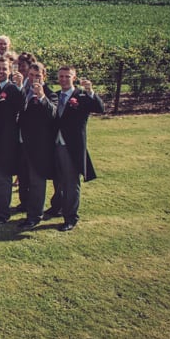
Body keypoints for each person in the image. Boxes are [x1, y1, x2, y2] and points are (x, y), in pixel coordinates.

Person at [53, 66, 105, 231]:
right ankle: (58, 207)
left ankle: (71, 217)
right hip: (55, 143)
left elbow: (99, 108)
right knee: (58, 180)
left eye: (67, 76)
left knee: (71, 182)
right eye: (61, 76)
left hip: (72, 145)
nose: (63, 79)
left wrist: (90, 91)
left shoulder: (81, 96)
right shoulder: (55, 95)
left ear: (73, 78)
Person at [16, 62, 56, 230]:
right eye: (31, 75)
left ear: (44, 76)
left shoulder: (49, 94)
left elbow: (53, 113)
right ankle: (25, 205)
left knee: (36, 182)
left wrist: (41, 97)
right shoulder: (24, 90)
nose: (33, 79)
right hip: (22, 143)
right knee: (23, 178)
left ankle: (34, 215)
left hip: (39, 146)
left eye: (37, 76)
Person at [0, 58, 25, 224]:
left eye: (4, 69)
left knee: (3, 178)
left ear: (9, 71)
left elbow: (21, 105)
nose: (0, 71)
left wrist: (20, 86)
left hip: (5, 140)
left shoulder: (12, 89)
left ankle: (3, 212)